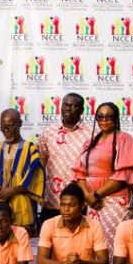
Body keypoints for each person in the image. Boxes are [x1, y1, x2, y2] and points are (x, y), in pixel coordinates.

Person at [73, 102, 133, 264]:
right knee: (95, 252)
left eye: (109, 116)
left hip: (114, 203)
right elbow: (79, 174)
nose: (104, 120)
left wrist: (97, 194)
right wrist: (87, 195)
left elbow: (123, 176)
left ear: (116, 118)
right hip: (92, 204)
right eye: (100, 117)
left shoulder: (124, 139)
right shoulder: (90, 142)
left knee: (113, 253)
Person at [0, 108, 44, 232]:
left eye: (10, 126)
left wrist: (11, 190)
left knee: (20, 236)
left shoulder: (30, 149)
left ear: (20, 124)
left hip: (21, 204)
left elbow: (35, 176)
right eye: (3, 127)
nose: (6, 130)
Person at [37, 93, 90, 221]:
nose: (68, 108)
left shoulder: (92, 133)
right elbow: (40, 165)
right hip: (52, 200)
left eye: (73, 106)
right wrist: (38, 193)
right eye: (65, 105)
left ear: (82, 110)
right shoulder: (48, 132)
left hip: (80, 201)